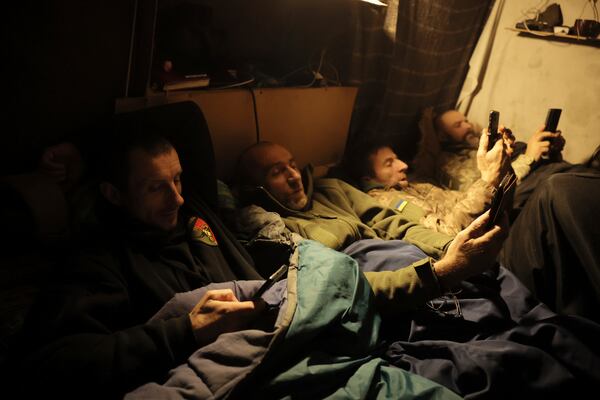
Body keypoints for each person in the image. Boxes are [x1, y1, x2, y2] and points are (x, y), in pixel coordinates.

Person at [13, 125, 266, 399]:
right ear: (113, 194)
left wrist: (78, 145)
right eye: (155, 188)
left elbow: (186, 118)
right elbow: (48, 364)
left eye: (177, 179)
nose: (177, 198)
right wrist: (187, 330)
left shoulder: (195, 207)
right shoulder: (101, 259)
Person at [234, 141, 508, 291]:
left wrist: (448, 246)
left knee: (499, 277)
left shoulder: (332, 189)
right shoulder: (275, 228)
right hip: (397, 277)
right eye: (277, 172)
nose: (294, 177)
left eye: (292, 165)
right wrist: (440, 273)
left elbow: (392, 224)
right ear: (255, 187)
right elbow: (335, 282)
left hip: (415, 257)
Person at [343, 128, 509, 236]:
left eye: (397, 159)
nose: (403, 165)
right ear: (369, 179)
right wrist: (488, 180)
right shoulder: (388, 202)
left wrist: (499, 171)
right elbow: (448, 231)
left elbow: (463, 199)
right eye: (389, 163)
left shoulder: (411, 187)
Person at [412, 107, 568, 194]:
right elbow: (484, 193)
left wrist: (550, 152)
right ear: (442, 136)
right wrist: (528, 157)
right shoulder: (447, 163)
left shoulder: (480, 147)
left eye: (466, 121)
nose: (468, 126)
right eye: (458, 125)